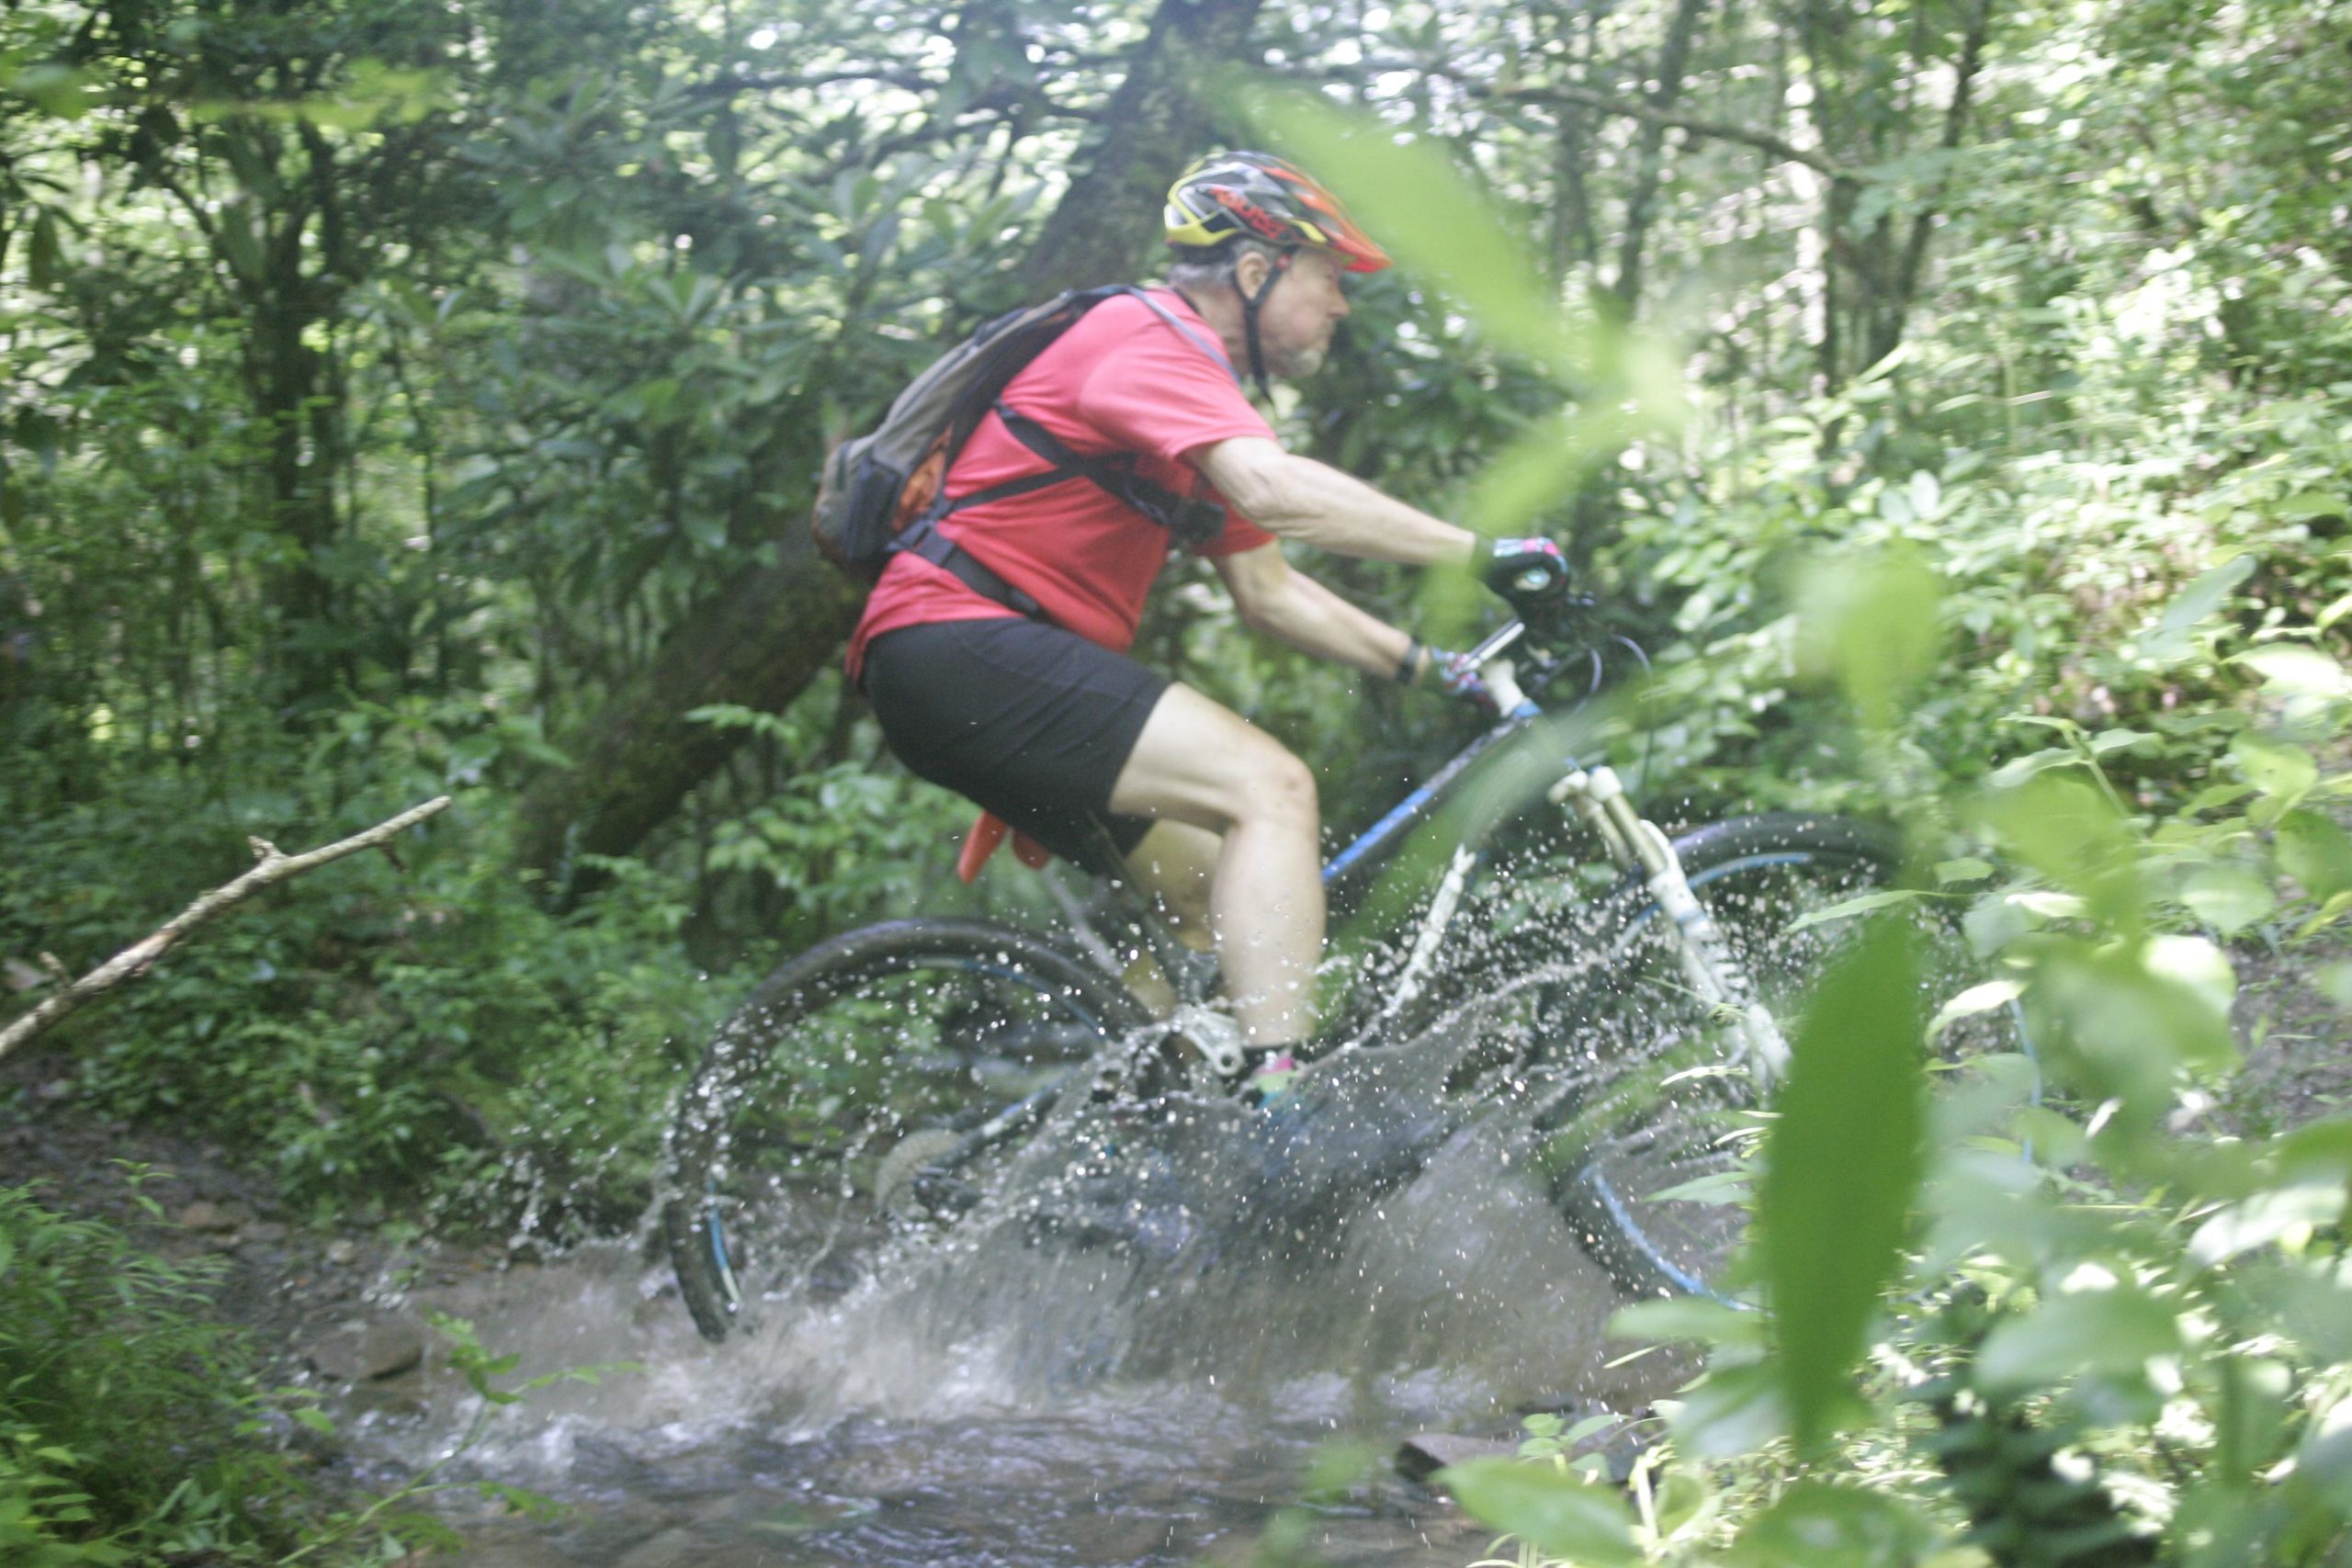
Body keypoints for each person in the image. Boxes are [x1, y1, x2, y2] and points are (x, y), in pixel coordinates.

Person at [846, 151, 1562, 1071]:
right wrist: (1486, 555)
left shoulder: (1185, 409)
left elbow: (1270, 593)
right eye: (1329, 279)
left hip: (953, 665)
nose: (1341, 306)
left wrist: (1441, 668)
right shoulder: (1144, 337)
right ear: (1257, 273)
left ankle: (1109, 1128)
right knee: (1273, 788)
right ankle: (1281, 1108)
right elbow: (1275, 493)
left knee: (1202, 897)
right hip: (960, 641)